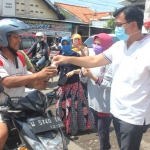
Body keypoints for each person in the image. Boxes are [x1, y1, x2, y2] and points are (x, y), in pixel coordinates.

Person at [53, 5, 150, 150]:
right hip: (116, 111)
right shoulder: (119, 46)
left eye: (119, 24)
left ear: (134, 25)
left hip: (134, 115)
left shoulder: (147, 48)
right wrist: (67, 59)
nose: (116, 28)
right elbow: (94, 60)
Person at [0, 18, 57, 150]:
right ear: (3, 38)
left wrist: (37, 83)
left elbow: (25, 79)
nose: (19, 40)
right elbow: (6, 81)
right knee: (2, 133)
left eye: (19, 36)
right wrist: (38, 75)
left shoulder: (19, 57)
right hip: (2, 108)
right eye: (16, 37)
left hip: (19, 106)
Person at [80, 33, 113, 150]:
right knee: (98, 129)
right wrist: (83, 73)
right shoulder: (93, 59)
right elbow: (84, 80)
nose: (95, 46)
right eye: (94, 43)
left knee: (102, 131)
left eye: (99, 44)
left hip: (105, 104)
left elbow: (110, 85)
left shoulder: (111, 62)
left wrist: (92, 76)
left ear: (107, 45)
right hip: (93, 101)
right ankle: (107, 146)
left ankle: (104, 147)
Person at [56, 37, 94, 135]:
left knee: (73, 107)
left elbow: (83, 68)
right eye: (63, 44)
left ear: (70, 44)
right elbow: (57, 70)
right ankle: (63, 126)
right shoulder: (59, 55)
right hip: (63, 85)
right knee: (62, 106)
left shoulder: (75, 55)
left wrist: (73, 71)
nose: (65, 45)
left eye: (66, 43)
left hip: (74, 86)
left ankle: (74, 127)